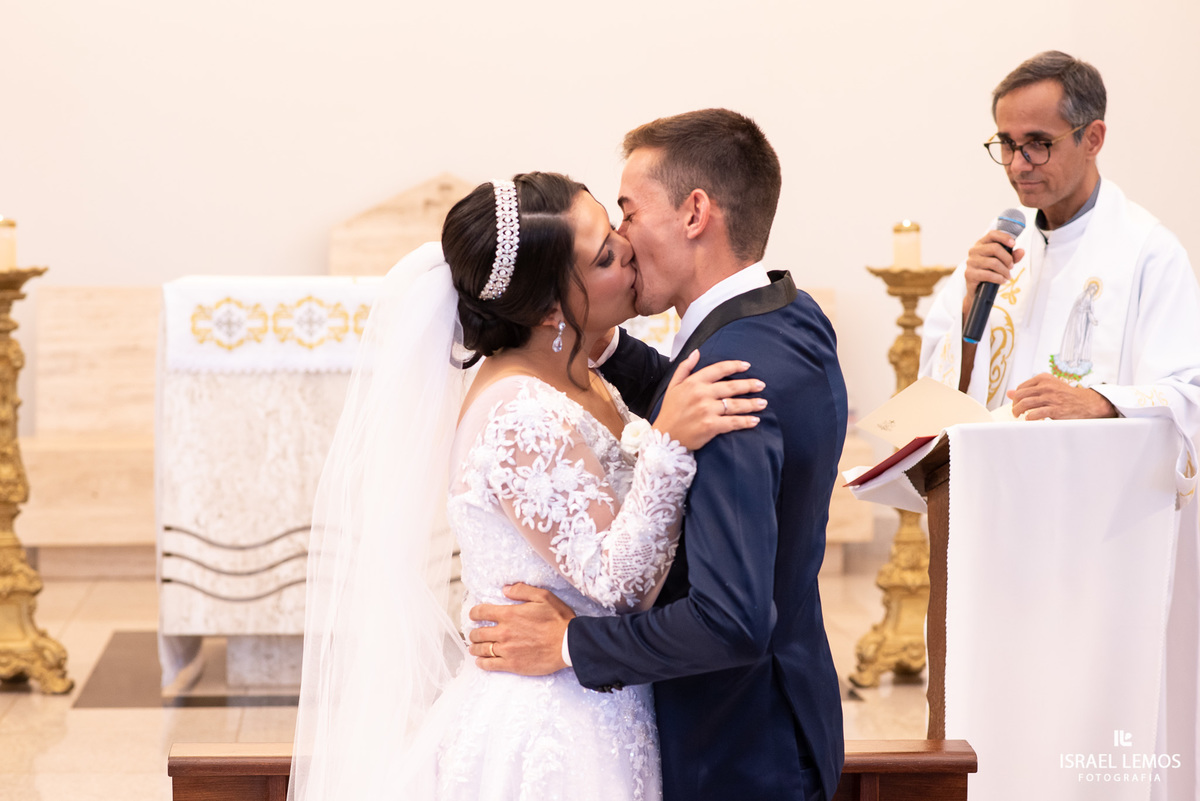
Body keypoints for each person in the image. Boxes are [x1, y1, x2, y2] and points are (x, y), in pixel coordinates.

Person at [288, 172, 765, 801]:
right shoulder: (518, 416)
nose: (627, 247)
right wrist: (668, 447)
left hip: (602, 698)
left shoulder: (576, 373)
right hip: (555, 726)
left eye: (614, 227)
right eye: (603, 256)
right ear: (547, 309)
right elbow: (619, 586)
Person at [467, 109, 848, 801]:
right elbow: (682, 385)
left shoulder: (729, 386)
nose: (624, 238)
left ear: (695, 211)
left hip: (735, 748)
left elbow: (729, 620)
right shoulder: (788, 315)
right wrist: (586, 334)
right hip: (790, 712)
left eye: (629, 212)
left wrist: (568, 644)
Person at [919, 51, 1200, 801]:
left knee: (1077, 720)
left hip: (1097, 551)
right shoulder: (997, 247)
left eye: (1036, 142)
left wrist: (1104, 400)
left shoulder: (1148, 252)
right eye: (1004, 143)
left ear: (1094, 136)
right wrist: (971, 318)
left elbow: (1189, 391)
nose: (1017, 163)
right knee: (996, 706)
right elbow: (943, 385)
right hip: (998, 535)